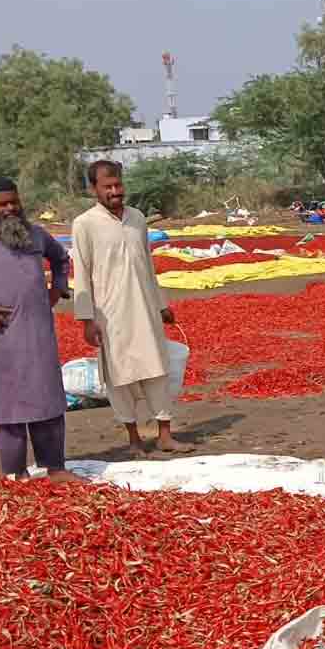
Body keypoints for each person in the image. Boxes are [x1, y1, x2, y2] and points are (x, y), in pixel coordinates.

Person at [71, 161, 192, 455]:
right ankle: (134, 439)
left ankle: (164, 434)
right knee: (120, 377)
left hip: (145, 308)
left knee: (157, 370)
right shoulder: (84, 224)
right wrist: (87, 320)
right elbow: (82, 274)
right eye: (107, 187)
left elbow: (148, 267)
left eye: (118, 185)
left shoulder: (137, 218)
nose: (114, 191)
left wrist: (161, 304)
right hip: (110, 314)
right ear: (93, 189)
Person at [0, 177, 81, 482]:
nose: (10, 209)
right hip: (0, 336)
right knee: (9, 406)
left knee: (47, 397)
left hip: (38, 332)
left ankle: (55, 467)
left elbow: (61, 259)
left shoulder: (36, 234)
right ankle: (15, 472)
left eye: (13, 202)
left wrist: (57, 288)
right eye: (1, 204)